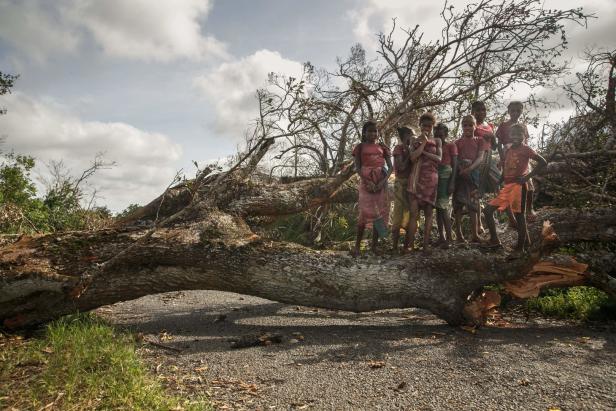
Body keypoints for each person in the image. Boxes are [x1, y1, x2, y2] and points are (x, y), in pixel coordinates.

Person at [484, 123, 547, 251]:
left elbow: (543, 162)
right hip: (508, 187)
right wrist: (499, 180)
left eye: (519, 134)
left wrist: (527, 177)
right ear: (509, 136)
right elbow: (506, 168)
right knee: (487, 211)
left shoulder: (526, 149)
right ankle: (495, 240)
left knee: (520, 216)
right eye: (513, 134)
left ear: (524, 135)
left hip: (519, 186)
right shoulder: (509, 149)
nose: (516, 136)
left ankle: (520, 249)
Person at [352, 121, 393, 256]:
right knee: (363, 213)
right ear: (364, 132)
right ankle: (357, 246)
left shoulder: (383, 147)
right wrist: (367, 182)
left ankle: (374, 247)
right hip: (366, 182)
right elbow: (358, 168)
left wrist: (382, 182)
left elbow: (391, 167)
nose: (373, 134)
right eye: (370, 131)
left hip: (381, 181)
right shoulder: (360, 147)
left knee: (378, 214)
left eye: (375, 131)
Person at [403, 113, 442, 253]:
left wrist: (425, 153)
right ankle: (410, 245)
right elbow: (413, 158)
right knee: (414, 213)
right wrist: (424, 143)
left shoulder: (437, 140)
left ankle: (426, 245)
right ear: (419, 126)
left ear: (432, 126)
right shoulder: (414, 139)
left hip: (431, 179)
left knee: (429, 213)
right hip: (416, 178)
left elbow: (439, 158)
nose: (426, 128)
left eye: (429, 126)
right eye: (424, 125)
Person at [495, 101, 536, 223]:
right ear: (508, 111)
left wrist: (528, 157)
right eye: (513, 110)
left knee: (529, 185)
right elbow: (499, 144)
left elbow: (526, 143)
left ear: (521, 111)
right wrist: (502, 159)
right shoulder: (503, 125)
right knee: (509, 185)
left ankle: (529, 209)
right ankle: (511, 216)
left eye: (518, 111)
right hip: (508, 155)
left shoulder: (523, 126)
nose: (515, 113)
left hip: (522, 155)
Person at [453, 114, 489, 243]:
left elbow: (480, 157)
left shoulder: (479, 140)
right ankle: (459, 235)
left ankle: (474, 234)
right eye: (465, 125)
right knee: (458, 205)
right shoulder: (457, 143)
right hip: (460, 177)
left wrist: (470, 168)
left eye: (470, 125)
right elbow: (455, 159)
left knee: (473, 205)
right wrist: (461, 168)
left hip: (473, 176)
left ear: (475, 126)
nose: (467, 127)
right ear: (462, 127)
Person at [391, 126, 415, 252]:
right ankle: (394, 246)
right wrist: (409, 153)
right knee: (398, 216)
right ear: (405, 136)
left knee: (411, 215)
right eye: (411, 135)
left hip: (412, 185)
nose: (413, 138)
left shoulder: (413, 149)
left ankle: (407, 245)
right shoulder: (398, 149)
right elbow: (400, 167)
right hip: (400, 184)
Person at [434, 123, 458, 248]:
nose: (438, 136)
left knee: (443, 208)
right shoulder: (432, 146)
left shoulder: (451, 145)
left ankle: (449, 238)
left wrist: (452, 183)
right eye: (436, 134)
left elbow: (454, 165)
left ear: (446, 135)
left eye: (441, 134)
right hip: (434, 178)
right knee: (438, 209)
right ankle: (441, 237)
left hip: (445, 177)